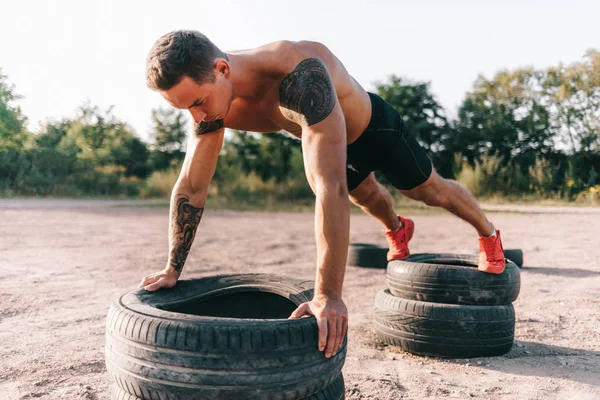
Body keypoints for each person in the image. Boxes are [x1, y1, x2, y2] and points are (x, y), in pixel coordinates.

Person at [138, 30, 506, 360]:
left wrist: (328, 294)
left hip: (375, 131)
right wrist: (173, 267)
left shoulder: (299, 74)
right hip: (331, 143)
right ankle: (398, 228)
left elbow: (330, 187)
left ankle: (488, 233)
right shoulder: (212, 102)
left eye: (198, 102)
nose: (197, 115)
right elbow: (191, 185)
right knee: (371, 201)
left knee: (428, 190)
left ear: (222, 68)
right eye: (185, 107)